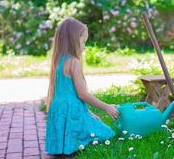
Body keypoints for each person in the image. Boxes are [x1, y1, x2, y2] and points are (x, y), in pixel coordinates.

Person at [45, 17, 119, 155]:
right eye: (83, 41)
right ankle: (76, 143)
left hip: (59, 110)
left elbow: (70, 93)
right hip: (72, 111)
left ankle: (63, 146)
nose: (84, 46)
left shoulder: (58, 61)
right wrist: (107, 107)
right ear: (73, 40)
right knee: (107, 133)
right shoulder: (74, 62)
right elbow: (82, 94)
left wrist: (89, 113)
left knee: (94, 122)